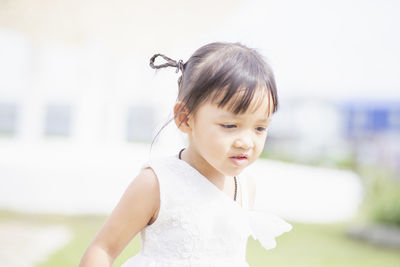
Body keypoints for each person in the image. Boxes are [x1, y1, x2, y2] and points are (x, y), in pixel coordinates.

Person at [79, 42, 292, 267]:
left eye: (260, 128)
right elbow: (102, 249)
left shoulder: (246, 186)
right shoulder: (157, 183)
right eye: (230, 125)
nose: (246, 142)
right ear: (185, 118)